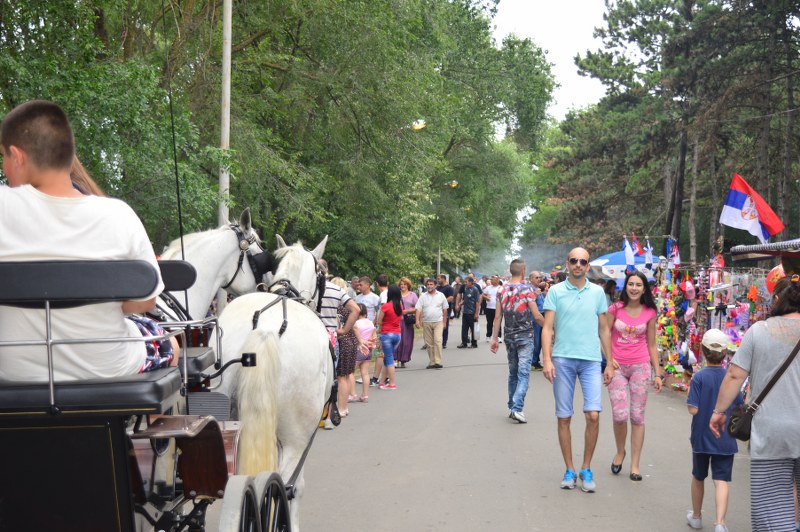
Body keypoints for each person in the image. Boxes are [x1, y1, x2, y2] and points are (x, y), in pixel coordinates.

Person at [0, 100, 178, 381]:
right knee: (170, 343)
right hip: (106, 366)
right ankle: (150, 424)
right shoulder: (118, 214)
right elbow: (145, 302)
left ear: (17, 156)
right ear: (67, 156)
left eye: (3, 158)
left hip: (13, 371)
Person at [710, 274, 800, 532]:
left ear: (778, 300)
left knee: (773, 513)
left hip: (772, 432)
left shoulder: (759, 331)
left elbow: (735, 375)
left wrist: (718, 412)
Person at [542, 247, 611, 493]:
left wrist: (610, 362)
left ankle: (586, 467)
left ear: (588, 265)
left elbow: (604, 329)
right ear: (567, 263)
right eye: (574, 261)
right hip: (562, 360)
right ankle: (570, 469)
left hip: (591, 360)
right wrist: (547, 359)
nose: (578, 265)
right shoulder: (556, 291)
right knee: (564, 416)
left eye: (583, 261)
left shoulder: (598, 293)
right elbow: (547, 328)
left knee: (593, 415)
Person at [604, 270, 662, 481]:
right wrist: (609, 361)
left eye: (639, 285)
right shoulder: (615, 309)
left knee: (637, 416)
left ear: (644, 288)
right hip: (617, 368)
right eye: (631, 284)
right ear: (625, 287)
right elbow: (603, 335)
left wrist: (657, 373)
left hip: (641, 367)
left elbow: (652, 344)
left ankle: (635, 464)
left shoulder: (649, 312)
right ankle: (620, 452)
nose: (634, 288)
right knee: (620, 414)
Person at [686, 329, 743, 532]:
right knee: (721, 480)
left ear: (702, 350)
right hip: (725, 438)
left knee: (698, 476)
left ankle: (697, 516)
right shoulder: (732, 378)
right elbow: (739, 406)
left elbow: (693, 409)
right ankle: (720, 522)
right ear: (726, 353)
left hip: (701, 437)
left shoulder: (699, 378)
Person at [490, 259, 544, 423]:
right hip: (525, 337)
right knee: (523, 374)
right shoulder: (527, 289)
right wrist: (550, 327)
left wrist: (494, 338)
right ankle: (517, 408)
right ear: (523, 271)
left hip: (508, 337)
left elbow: (497, 316)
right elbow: (536, 315)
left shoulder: (501, 289)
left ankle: (511, 405)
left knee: (513, 373)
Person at [317, 259, 360, 426]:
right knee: (333, 377)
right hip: (330, 335)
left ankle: (317, 415)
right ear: (327, 272)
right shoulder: (336, 290)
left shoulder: (306, 289)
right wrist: (343, 330)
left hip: (312, 334)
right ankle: (331, 415)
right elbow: (355, 309)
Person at [415, 278, 448, 369]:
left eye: (431, 284)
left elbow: (445, 310)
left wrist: (444, 322)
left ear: (435, 285)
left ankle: (438, 361)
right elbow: (418, 309)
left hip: (438, 321)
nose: (429, 286)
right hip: (426, 322)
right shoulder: (423, 296)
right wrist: (417, 320)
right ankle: (432, 362)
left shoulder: (441, 295)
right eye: (428, 284)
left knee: (437, 340)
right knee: (429, 343)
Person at [376, 284, 403, 390]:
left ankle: (392, 383)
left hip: (387, 334)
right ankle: (382, 382)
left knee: (389, 359)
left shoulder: (385, 306)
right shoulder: (399, 306)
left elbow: (379, 321)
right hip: (397, 335)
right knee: (388, 358)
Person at [353, 303, 376, 403]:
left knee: (350, 373)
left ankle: (351, 394)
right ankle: (365, 395)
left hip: (358, 349)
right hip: (368, 349)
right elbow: (374, 336)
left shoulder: (356, 324)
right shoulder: (370, 323)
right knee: (365, 373)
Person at [370, 274, 390, 387]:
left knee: (379, 353)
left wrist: (379, 324)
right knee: (386, 353)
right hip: (389, 326)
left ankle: (376, 378)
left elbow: (384, 309)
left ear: (377, 284)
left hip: (383, 327)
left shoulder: (383, 295)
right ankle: (385, 377)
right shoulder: (391, 293)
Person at [395, 277, 418, 368]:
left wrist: (408, 311)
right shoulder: (397, 295)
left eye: (404, 284)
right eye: (401, 284)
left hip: (407, 321)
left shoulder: (413, 295)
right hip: (397, 321)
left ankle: (403, 359)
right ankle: (395, 359)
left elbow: (418, 308)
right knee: (397, 340)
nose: (403, 286)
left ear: (408, 285)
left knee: (406, 341)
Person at [457, 276, 481, 348]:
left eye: (466, 282)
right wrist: (461, 303)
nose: (465, 283)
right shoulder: (466, 289)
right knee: (464, 328)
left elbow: (477, 302)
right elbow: (467, 299)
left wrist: (476, 313)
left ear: (471, 282)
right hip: (465, 311)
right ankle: (464, 343)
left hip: (472, 312)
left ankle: (474, 343)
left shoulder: (475, 290)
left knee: (473, 328)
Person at [529, 271, 545, 370]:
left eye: (539, 277)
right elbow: (528, 303)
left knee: (540, 340)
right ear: (531, 279)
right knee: (536, 340)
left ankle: (535, 360)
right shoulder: (529, 290)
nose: (538, 279)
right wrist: (535, 295)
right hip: (535, 317)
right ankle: (533, 362)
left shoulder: (537, 289)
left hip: (542, 315)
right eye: (536, 277)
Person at [482, 275, 502, 343]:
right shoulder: (488, 288)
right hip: (489, 307)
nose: (491, 281)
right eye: (491, 279)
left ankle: (498, 337)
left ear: (497, 280)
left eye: (493, 279)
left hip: (498, 308)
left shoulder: (501, 288)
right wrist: (486, 298)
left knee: (498, 322)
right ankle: (488, 336)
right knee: (489, 322)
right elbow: (483, 294)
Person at [436, 274, 454, 348]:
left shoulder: (449, 288)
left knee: (444, 325)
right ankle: (437, 341)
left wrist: (442, 301)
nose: (438, 280)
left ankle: (444, 342)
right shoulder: (438, 287)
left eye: (439, 279)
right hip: (437, 309)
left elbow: (451, 298)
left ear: (443, 279)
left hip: (446, 309)